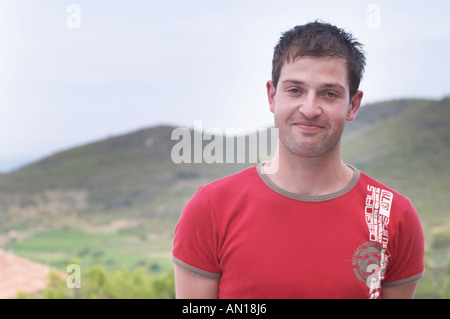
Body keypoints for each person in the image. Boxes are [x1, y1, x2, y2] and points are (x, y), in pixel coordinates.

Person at [171, 21, 425, 299]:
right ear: (272, 96)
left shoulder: (392, 216)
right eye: (295, 90)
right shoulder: (211, 209)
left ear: (353, 105)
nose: (310, 109)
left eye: (329, 94)